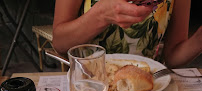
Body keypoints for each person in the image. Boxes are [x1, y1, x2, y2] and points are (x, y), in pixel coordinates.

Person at [53, 0, 202, 68]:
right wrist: (100, 15)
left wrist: (199, 40)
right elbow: (60, 43)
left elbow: (172, 57)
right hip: (91, 88)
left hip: (147, 90)